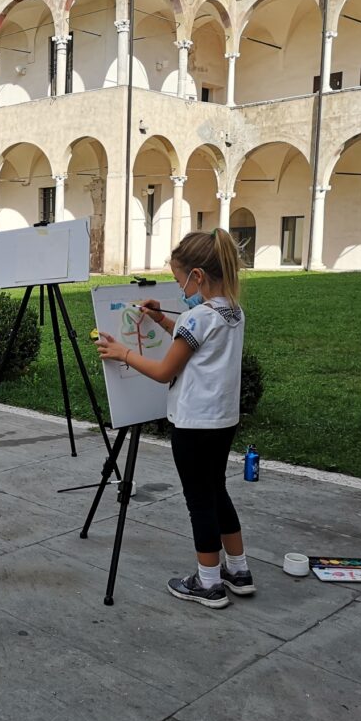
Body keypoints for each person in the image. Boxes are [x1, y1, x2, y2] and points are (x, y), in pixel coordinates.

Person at [95, 229, 252, 610]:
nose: (180, 289)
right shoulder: (231, 311)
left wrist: (121, 352)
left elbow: (166, 370)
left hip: (193, 425)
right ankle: (239, 570)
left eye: (181, 280)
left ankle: (209, 582)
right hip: (222, 421)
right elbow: (196, 348)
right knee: (217, 492)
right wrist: (165, 322)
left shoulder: (196, 318)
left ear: (197, 275)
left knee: (198, 499)